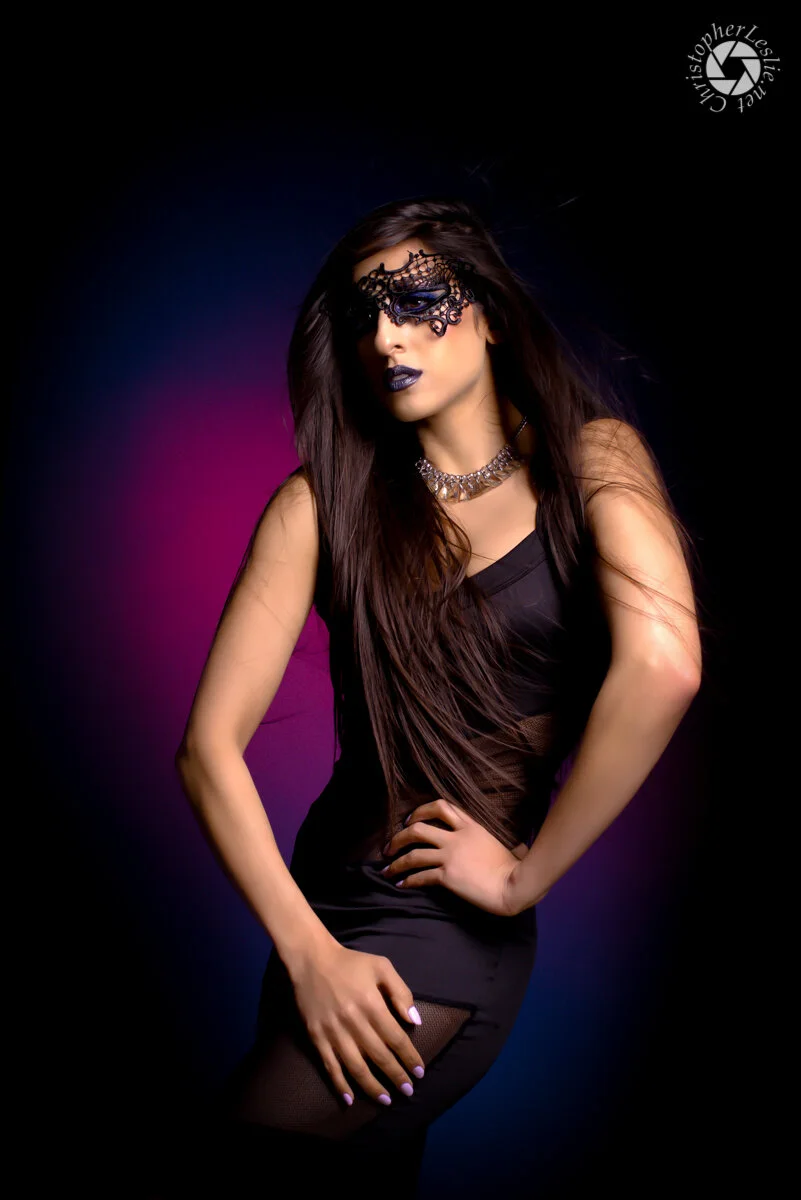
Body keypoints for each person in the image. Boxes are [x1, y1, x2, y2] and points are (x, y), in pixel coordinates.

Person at [171, 195, 703, 1197]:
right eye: (363, 315)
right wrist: (309, 952)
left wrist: (522, 880)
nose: (385, 336)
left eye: (416, 301)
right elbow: (207, 750)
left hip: (442, 933)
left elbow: (665, 663)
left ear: (490, 314)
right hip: (318, 919)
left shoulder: (592, 460)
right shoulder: (322, 505)